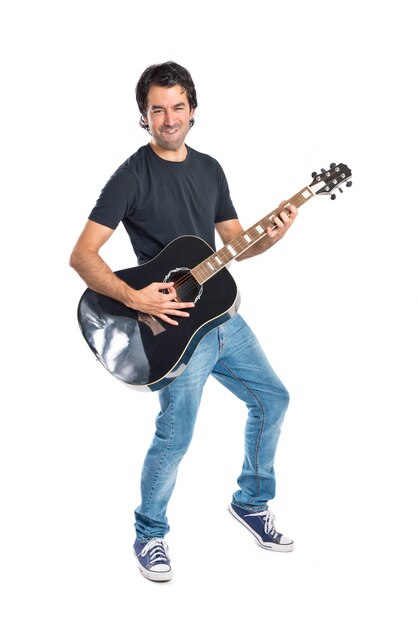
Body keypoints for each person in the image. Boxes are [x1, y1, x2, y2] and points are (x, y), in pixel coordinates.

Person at [70, 61, 298, 583]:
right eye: (157, 109)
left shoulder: (210, 168)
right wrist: (137, 297)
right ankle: (150, 534)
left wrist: (275, 233)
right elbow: (82, 256)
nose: (168, 118)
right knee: (176, 438)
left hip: (220, 318)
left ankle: (252, 501)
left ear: (192, 111)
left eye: (177, 107)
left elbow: (239, 241)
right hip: (173, 333)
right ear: (144, 116)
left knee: (274, 398)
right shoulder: (131, 175)